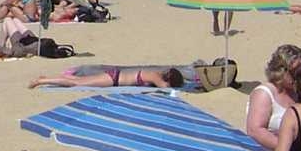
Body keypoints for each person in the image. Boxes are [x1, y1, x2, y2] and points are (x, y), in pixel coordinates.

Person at [28, 64, 186, 90]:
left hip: (114, 75)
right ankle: (42, 81)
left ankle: (46, 78)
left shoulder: (156, 74)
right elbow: (165, 88)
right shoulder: (155, 77)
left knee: (78, 81)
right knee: (77, 84)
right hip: (113, 79)